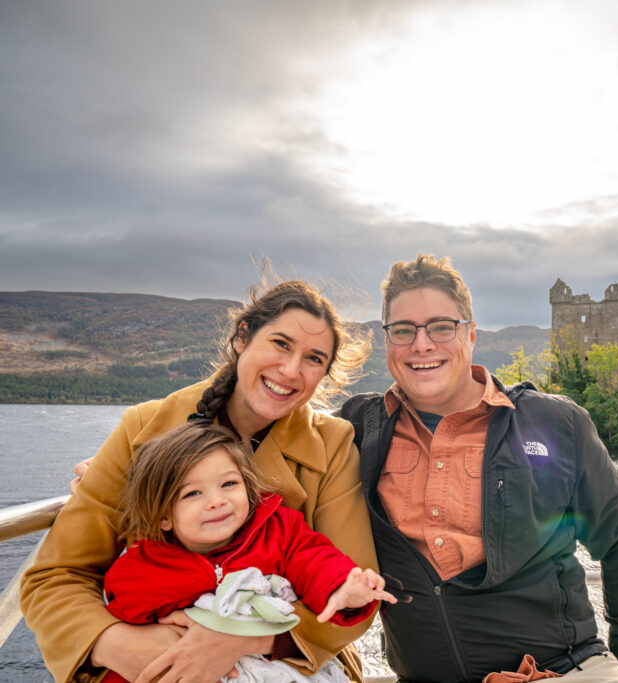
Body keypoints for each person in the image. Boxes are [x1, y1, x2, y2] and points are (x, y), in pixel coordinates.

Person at [21, 280, 378, 683]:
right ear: (242, 337)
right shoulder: (143, 427)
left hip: (288, 664)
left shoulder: (332, 445)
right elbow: (56, 575)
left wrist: (242, 640)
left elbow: (355, 590)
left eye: (314, 358)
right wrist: (119, 644)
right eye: (280, 344)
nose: (291, 370)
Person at [337, 254, 618, 683]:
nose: (421, 344)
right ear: (387, 341)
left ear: (470, 334)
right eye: (403, 330)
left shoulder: (554, 422)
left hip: (563, 671)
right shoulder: (358, 428)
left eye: (441, 327)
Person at [102, 421, 396, 683]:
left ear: (248, 487)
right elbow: (125, 631)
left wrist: (343, 587)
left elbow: (314, 560)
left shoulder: (277, 531)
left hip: (274, 666)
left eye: (229, 484)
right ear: (163, 516)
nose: (217, 501)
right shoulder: (142, 569)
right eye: (193, 493)